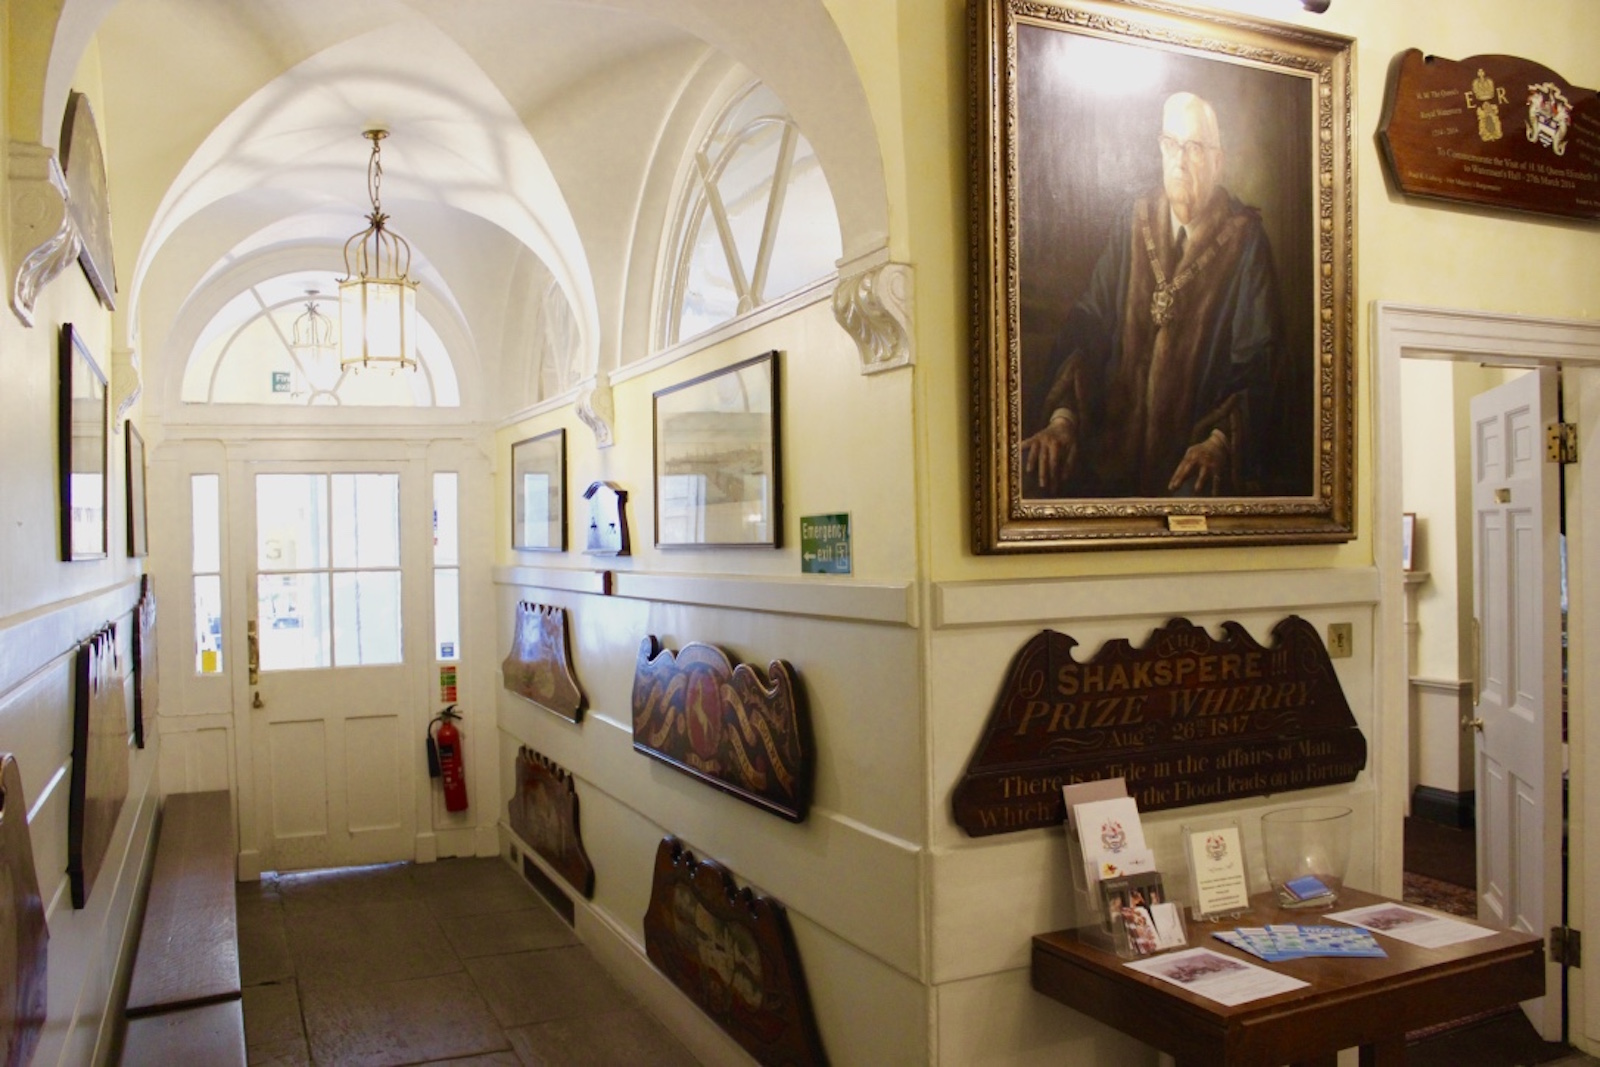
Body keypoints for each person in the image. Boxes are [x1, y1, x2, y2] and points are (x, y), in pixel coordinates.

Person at [1022, 91, 1287, 498]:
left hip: (1191, 452)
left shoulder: (1245, 240)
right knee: (1035, 476)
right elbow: (1089, 322)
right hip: (1109, 443)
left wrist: (1218, 442)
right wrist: (1063, 418)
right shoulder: (1134, 221)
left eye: (1194, 147)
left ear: (1218, 161)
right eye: (1171, 144)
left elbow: (1258, 359)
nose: (1180, 160)